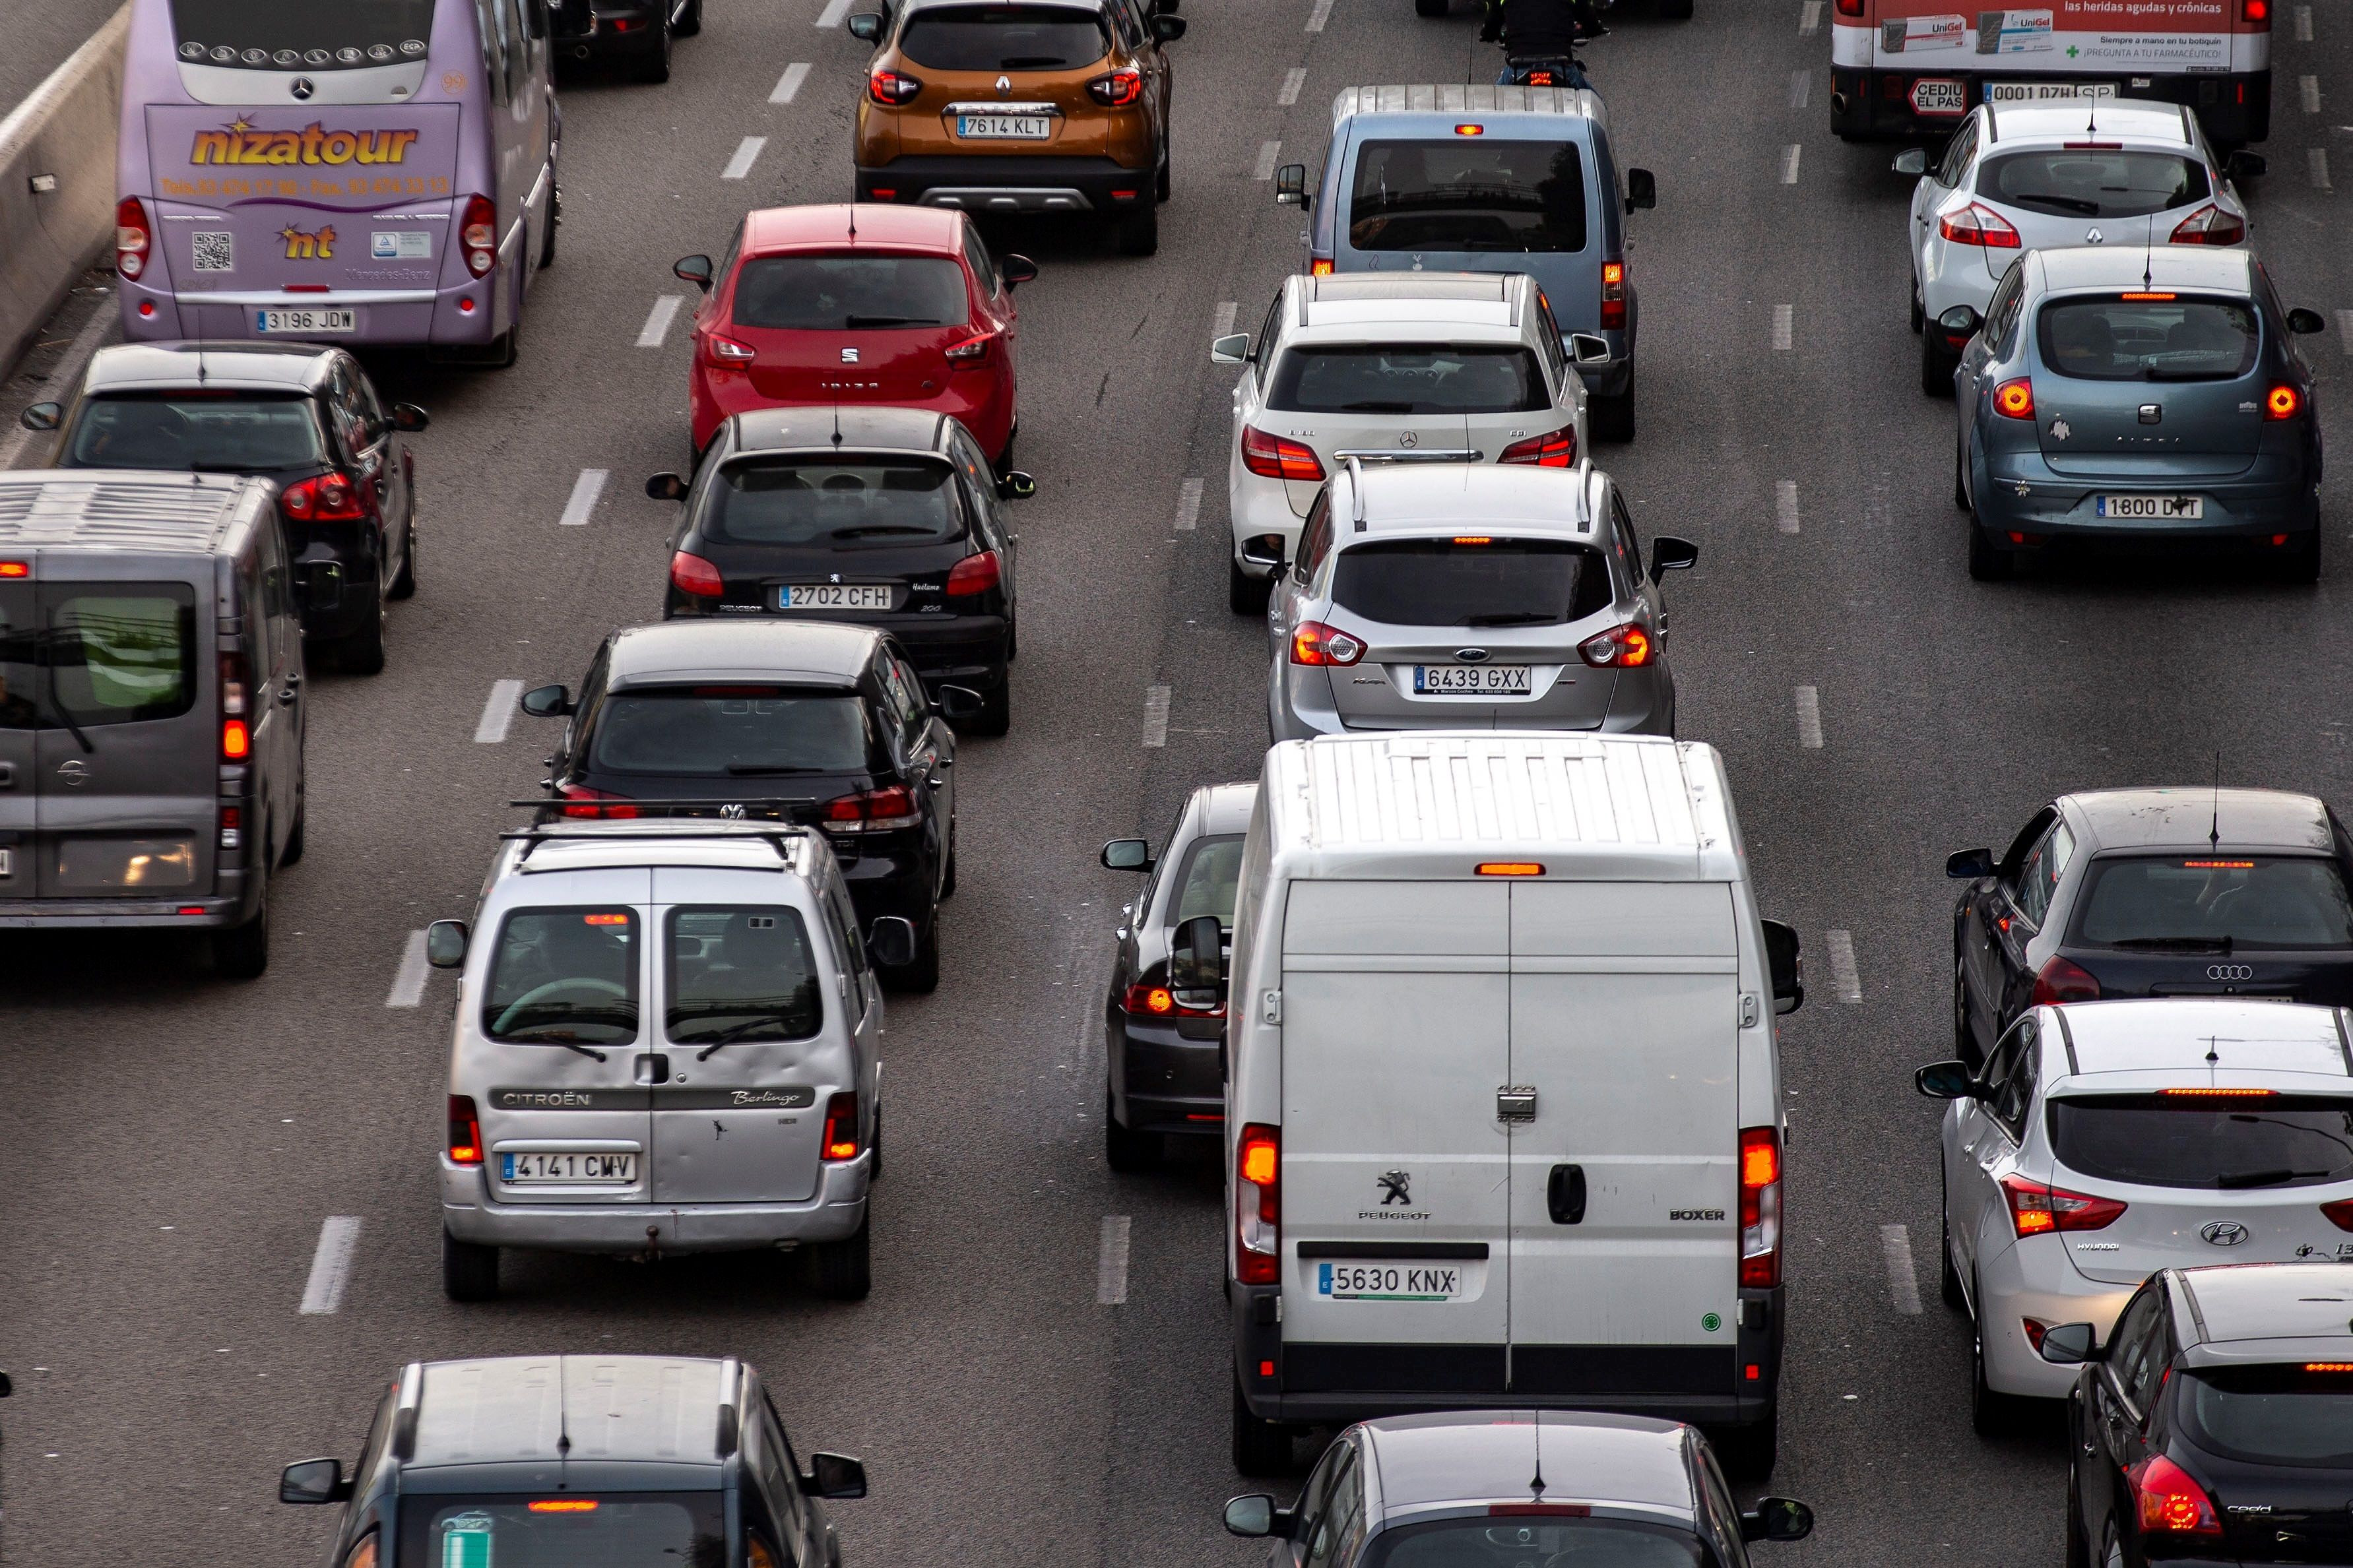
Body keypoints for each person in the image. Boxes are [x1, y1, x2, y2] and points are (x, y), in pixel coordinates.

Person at [1479, 0, 1610, 87]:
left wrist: (1489, 35)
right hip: (1561, 66)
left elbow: (1490, 28)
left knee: (1493, 106)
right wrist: (1595, 29)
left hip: (1519, 68)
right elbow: (1590, 22)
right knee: (1597, 106)